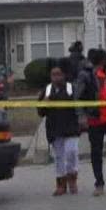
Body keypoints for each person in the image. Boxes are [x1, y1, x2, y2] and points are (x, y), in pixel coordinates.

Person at [78, 48, 106, 196]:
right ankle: (99, 183)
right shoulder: (85, 76)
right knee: (96, 152)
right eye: (105, 59)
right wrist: (82, 116)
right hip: (95, 119)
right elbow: (77, 98)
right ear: (101, 60)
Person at [38, 62, 81, 196]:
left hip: (71, 127)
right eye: (53, 75)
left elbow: (80, 106)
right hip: (55, 128)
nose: (56, 77)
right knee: (59, 157)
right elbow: (40, 112)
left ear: (64, 75)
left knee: (71, 152)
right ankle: (61, 184)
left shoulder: (71, 88)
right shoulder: (47, 90)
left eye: (59, 74)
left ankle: (72, 177)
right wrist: (44, 104)